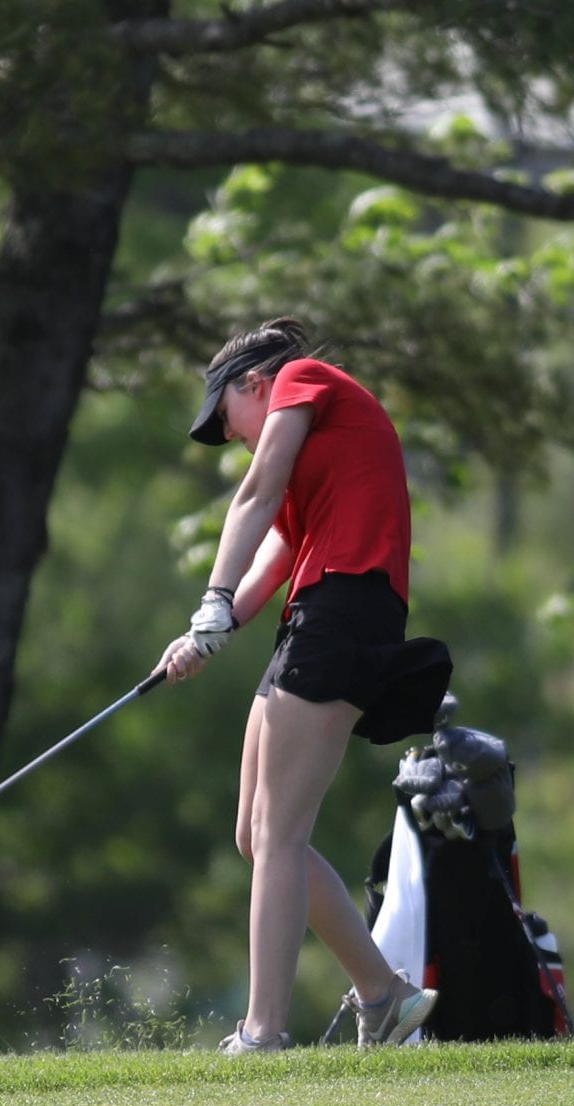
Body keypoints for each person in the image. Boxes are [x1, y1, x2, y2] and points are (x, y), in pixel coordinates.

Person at [156, 318, 453, 1053]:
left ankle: (263, 1031)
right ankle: (385, 997)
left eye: (227, 421)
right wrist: (205, 638)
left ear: (254, 385)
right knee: (255, 835)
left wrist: (213, 600)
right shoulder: (312, 457)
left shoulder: (302, 380)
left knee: (281, 834)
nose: (234, 440)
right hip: (317, 613)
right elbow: (281, 547)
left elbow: (254, 498)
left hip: (346, 610)